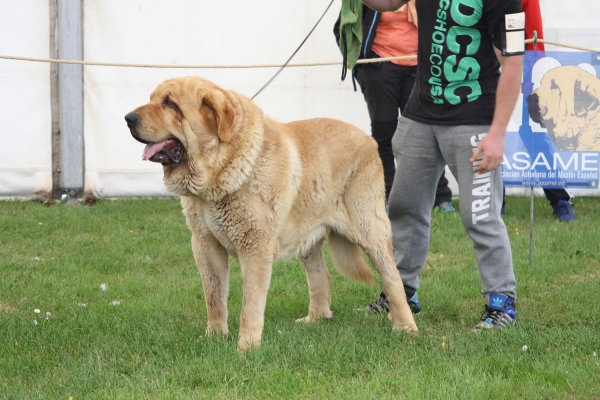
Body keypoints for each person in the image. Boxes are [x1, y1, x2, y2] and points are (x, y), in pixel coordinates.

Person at [362, 0, 523, 329]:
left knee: (479, 215)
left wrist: (497, 134)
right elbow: (389, 2)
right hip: (420, 115)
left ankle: (501, 302)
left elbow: (514, 62)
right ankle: (402, 294)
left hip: (474, 119)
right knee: (404, 206)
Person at [333, 3, 456, 212]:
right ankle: (387, 197)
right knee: (384, 132)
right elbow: (344, 24)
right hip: (380, 65)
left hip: (421, 65)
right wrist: (363, 60)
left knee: (425, 133)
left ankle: (441, 196)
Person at [502, 0, 577, 222]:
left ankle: (559, 199)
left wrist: (533, 80)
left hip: (521, 69)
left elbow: (534, 35)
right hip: (485, 72)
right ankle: (496, 201)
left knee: (533, 137)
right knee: (486, 134)